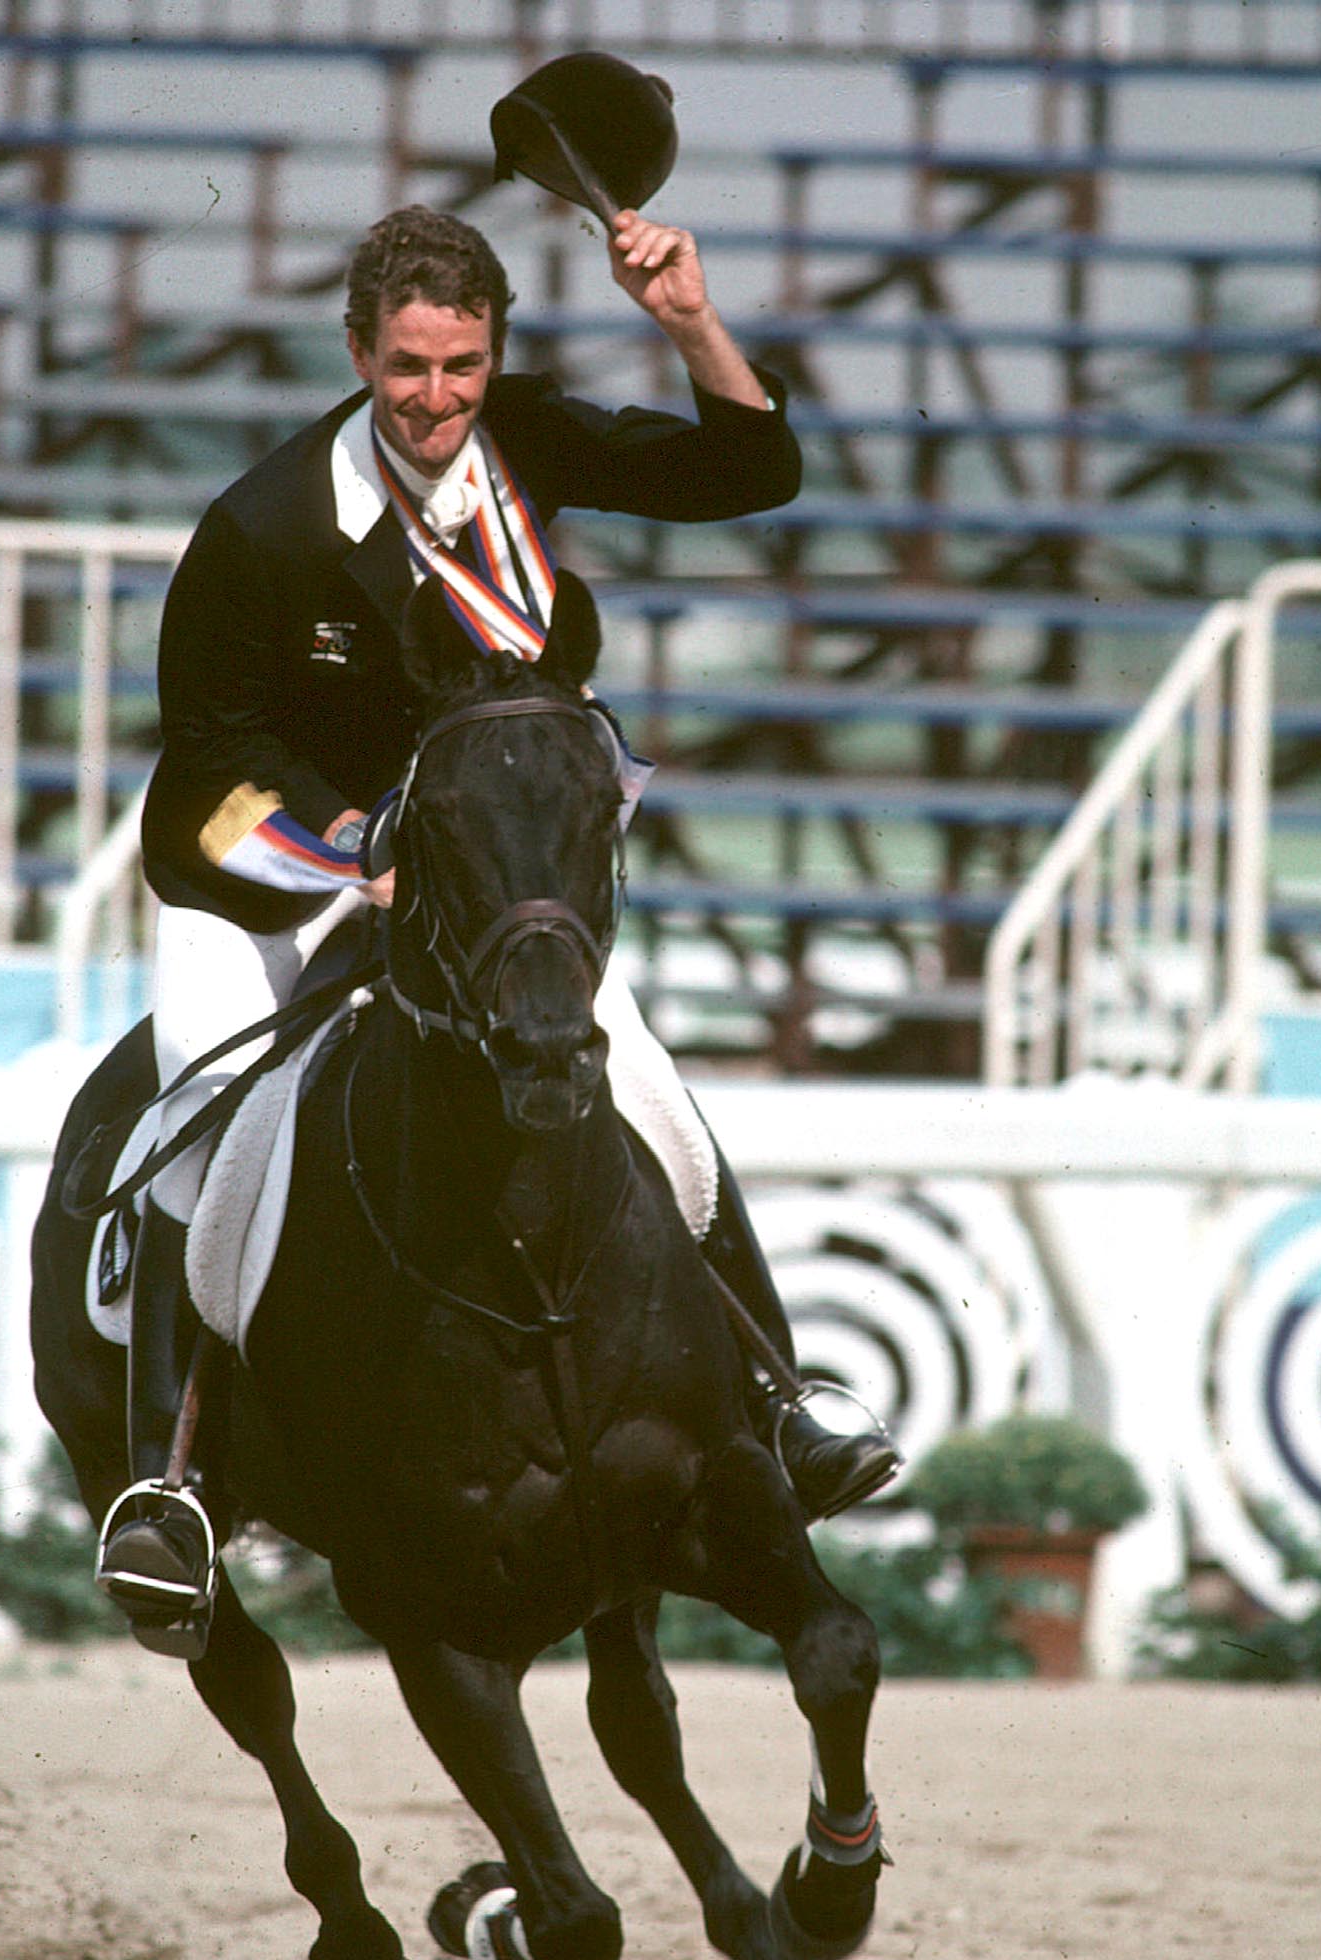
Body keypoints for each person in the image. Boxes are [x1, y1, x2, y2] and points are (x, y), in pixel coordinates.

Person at [96, 198, 898, 1635]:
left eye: (463, 365)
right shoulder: (264, 528)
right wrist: (356, 854)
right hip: (274, 874)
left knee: (648, 1087)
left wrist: (690, 323)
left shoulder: (524, 440)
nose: (437, 398)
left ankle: (784, 1405)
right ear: (359, 352)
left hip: (483, 879)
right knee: (196, 1116)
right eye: (408, 366)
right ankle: (172, 1486)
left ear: (496, 353)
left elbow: (751, 471)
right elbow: (204, 771)